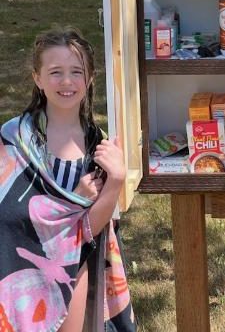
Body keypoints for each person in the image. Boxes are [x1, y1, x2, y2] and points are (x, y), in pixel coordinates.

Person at [0, 27, 136, 331]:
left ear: (89, 79)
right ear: (37, 78)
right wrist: (72, 197)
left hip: (72, 268)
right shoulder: (12, 139)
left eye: (77, 72)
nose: (66, 81)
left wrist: (115, 180)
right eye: (55, 72)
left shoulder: (97, 147)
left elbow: (91, 229)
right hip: (15, 269)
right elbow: (6, 212)